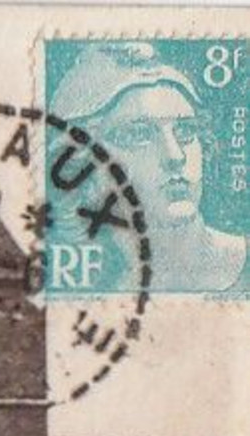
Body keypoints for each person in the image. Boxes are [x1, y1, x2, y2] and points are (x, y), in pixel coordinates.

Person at [52, 42, 250, 293]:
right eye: (139, 134)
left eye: (186, 131)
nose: (175, 156)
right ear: (84, 168)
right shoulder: (88, 288)